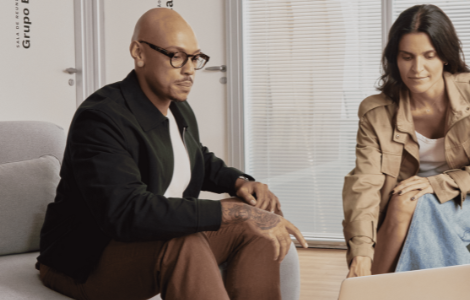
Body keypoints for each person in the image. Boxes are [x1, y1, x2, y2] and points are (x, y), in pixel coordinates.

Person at [35, 8, 306, 300]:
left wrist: (239, 182)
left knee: (255, 229)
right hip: (86, 262)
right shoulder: (101, 118)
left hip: (147, 243)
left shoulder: (176, 106)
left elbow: (192, 156)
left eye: (195, 58)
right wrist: (232, 210)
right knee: (184, 241)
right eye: (176, 56)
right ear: (139, 53)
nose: (189, 69)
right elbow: (126, 212)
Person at [342, 4, 470, 277]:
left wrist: (434, 183)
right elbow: (365, 182)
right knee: (409, 202)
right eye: (407, 57)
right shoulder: (376, 112)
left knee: (411, 202)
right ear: (395, 59)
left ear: (445, 57)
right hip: (400, 207)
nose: (417, 68)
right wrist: (361, 252)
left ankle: (365, 291)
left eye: (429, 56)